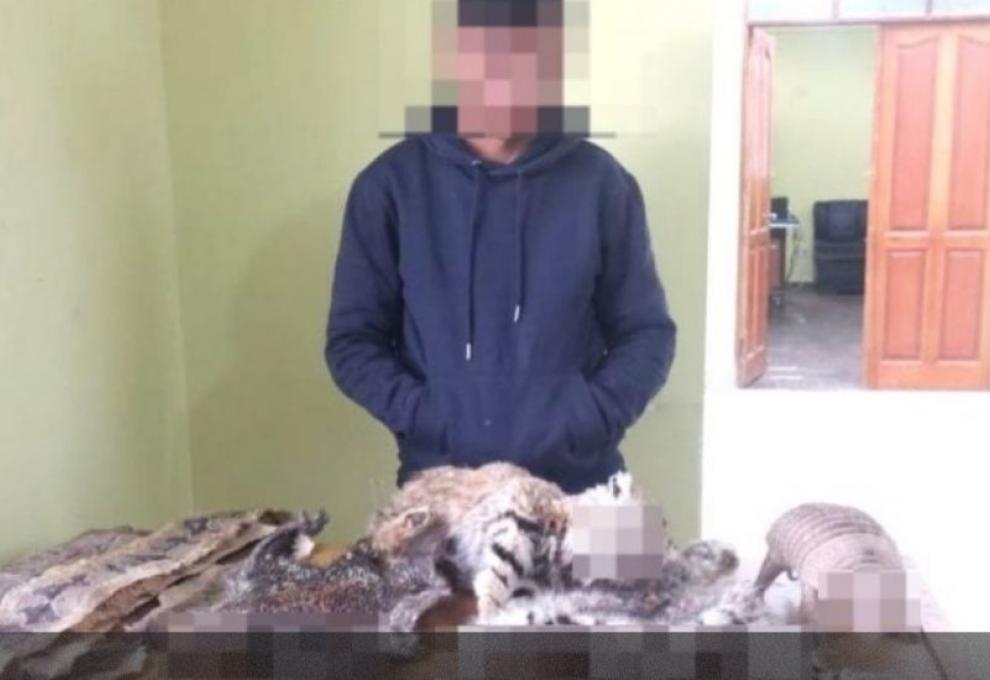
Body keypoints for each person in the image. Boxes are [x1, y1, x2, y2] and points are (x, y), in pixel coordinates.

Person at [325, 0, 676, 493]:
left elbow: (647, 333)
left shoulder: (603, 183)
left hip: (586, 486)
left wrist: (589, 417)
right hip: (441, 489)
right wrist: (426, 418)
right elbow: (352, 342)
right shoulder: (388, 187)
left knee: (644, 549)